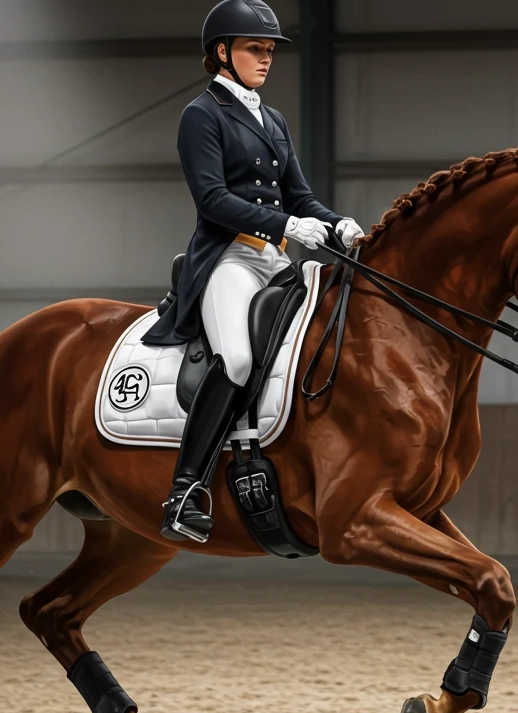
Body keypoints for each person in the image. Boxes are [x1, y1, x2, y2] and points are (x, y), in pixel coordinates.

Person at [141, 0, 363, 544]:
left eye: (268, 50)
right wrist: (287, 226)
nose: (266, 58)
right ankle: (185, 489)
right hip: (227, 258)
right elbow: (213, 199)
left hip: (274, 260)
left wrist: (340, 225)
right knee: (237, 357)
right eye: (254, 48)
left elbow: (301, 196)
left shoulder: (273, 118)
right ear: (222, 53)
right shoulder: (202, 114)